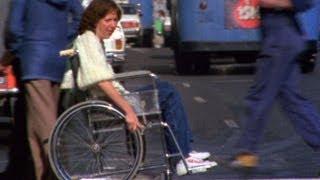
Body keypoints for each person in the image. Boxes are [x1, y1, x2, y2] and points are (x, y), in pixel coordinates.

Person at [60, 0, 217, 176]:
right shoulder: (88, 40)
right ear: (95, 19)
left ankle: (184, 152)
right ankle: (182, 156)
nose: (113, 25)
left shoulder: (93, 40)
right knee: (168, 93)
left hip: (108, 100)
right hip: (107, 103)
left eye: (115, 21)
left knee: (163, 87)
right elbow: (100, 80)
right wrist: (129, 111)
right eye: (108, 20)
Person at [231, 0, 320, 168]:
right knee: (292, 100)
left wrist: (271, 2)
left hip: (280, 39)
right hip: (283, 37)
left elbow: (305, 2)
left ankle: (246, 152)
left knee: (259, 95)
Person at [6, 0, 83, 179]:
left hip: (34, 60)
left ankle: (61, 173)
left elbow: (13, 28)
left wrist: (19, 48)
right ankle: (42, 174)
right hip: (56, 60)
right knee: (35, 126)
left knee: (46, 125)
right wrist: (64, 38)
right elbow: (80, 15)